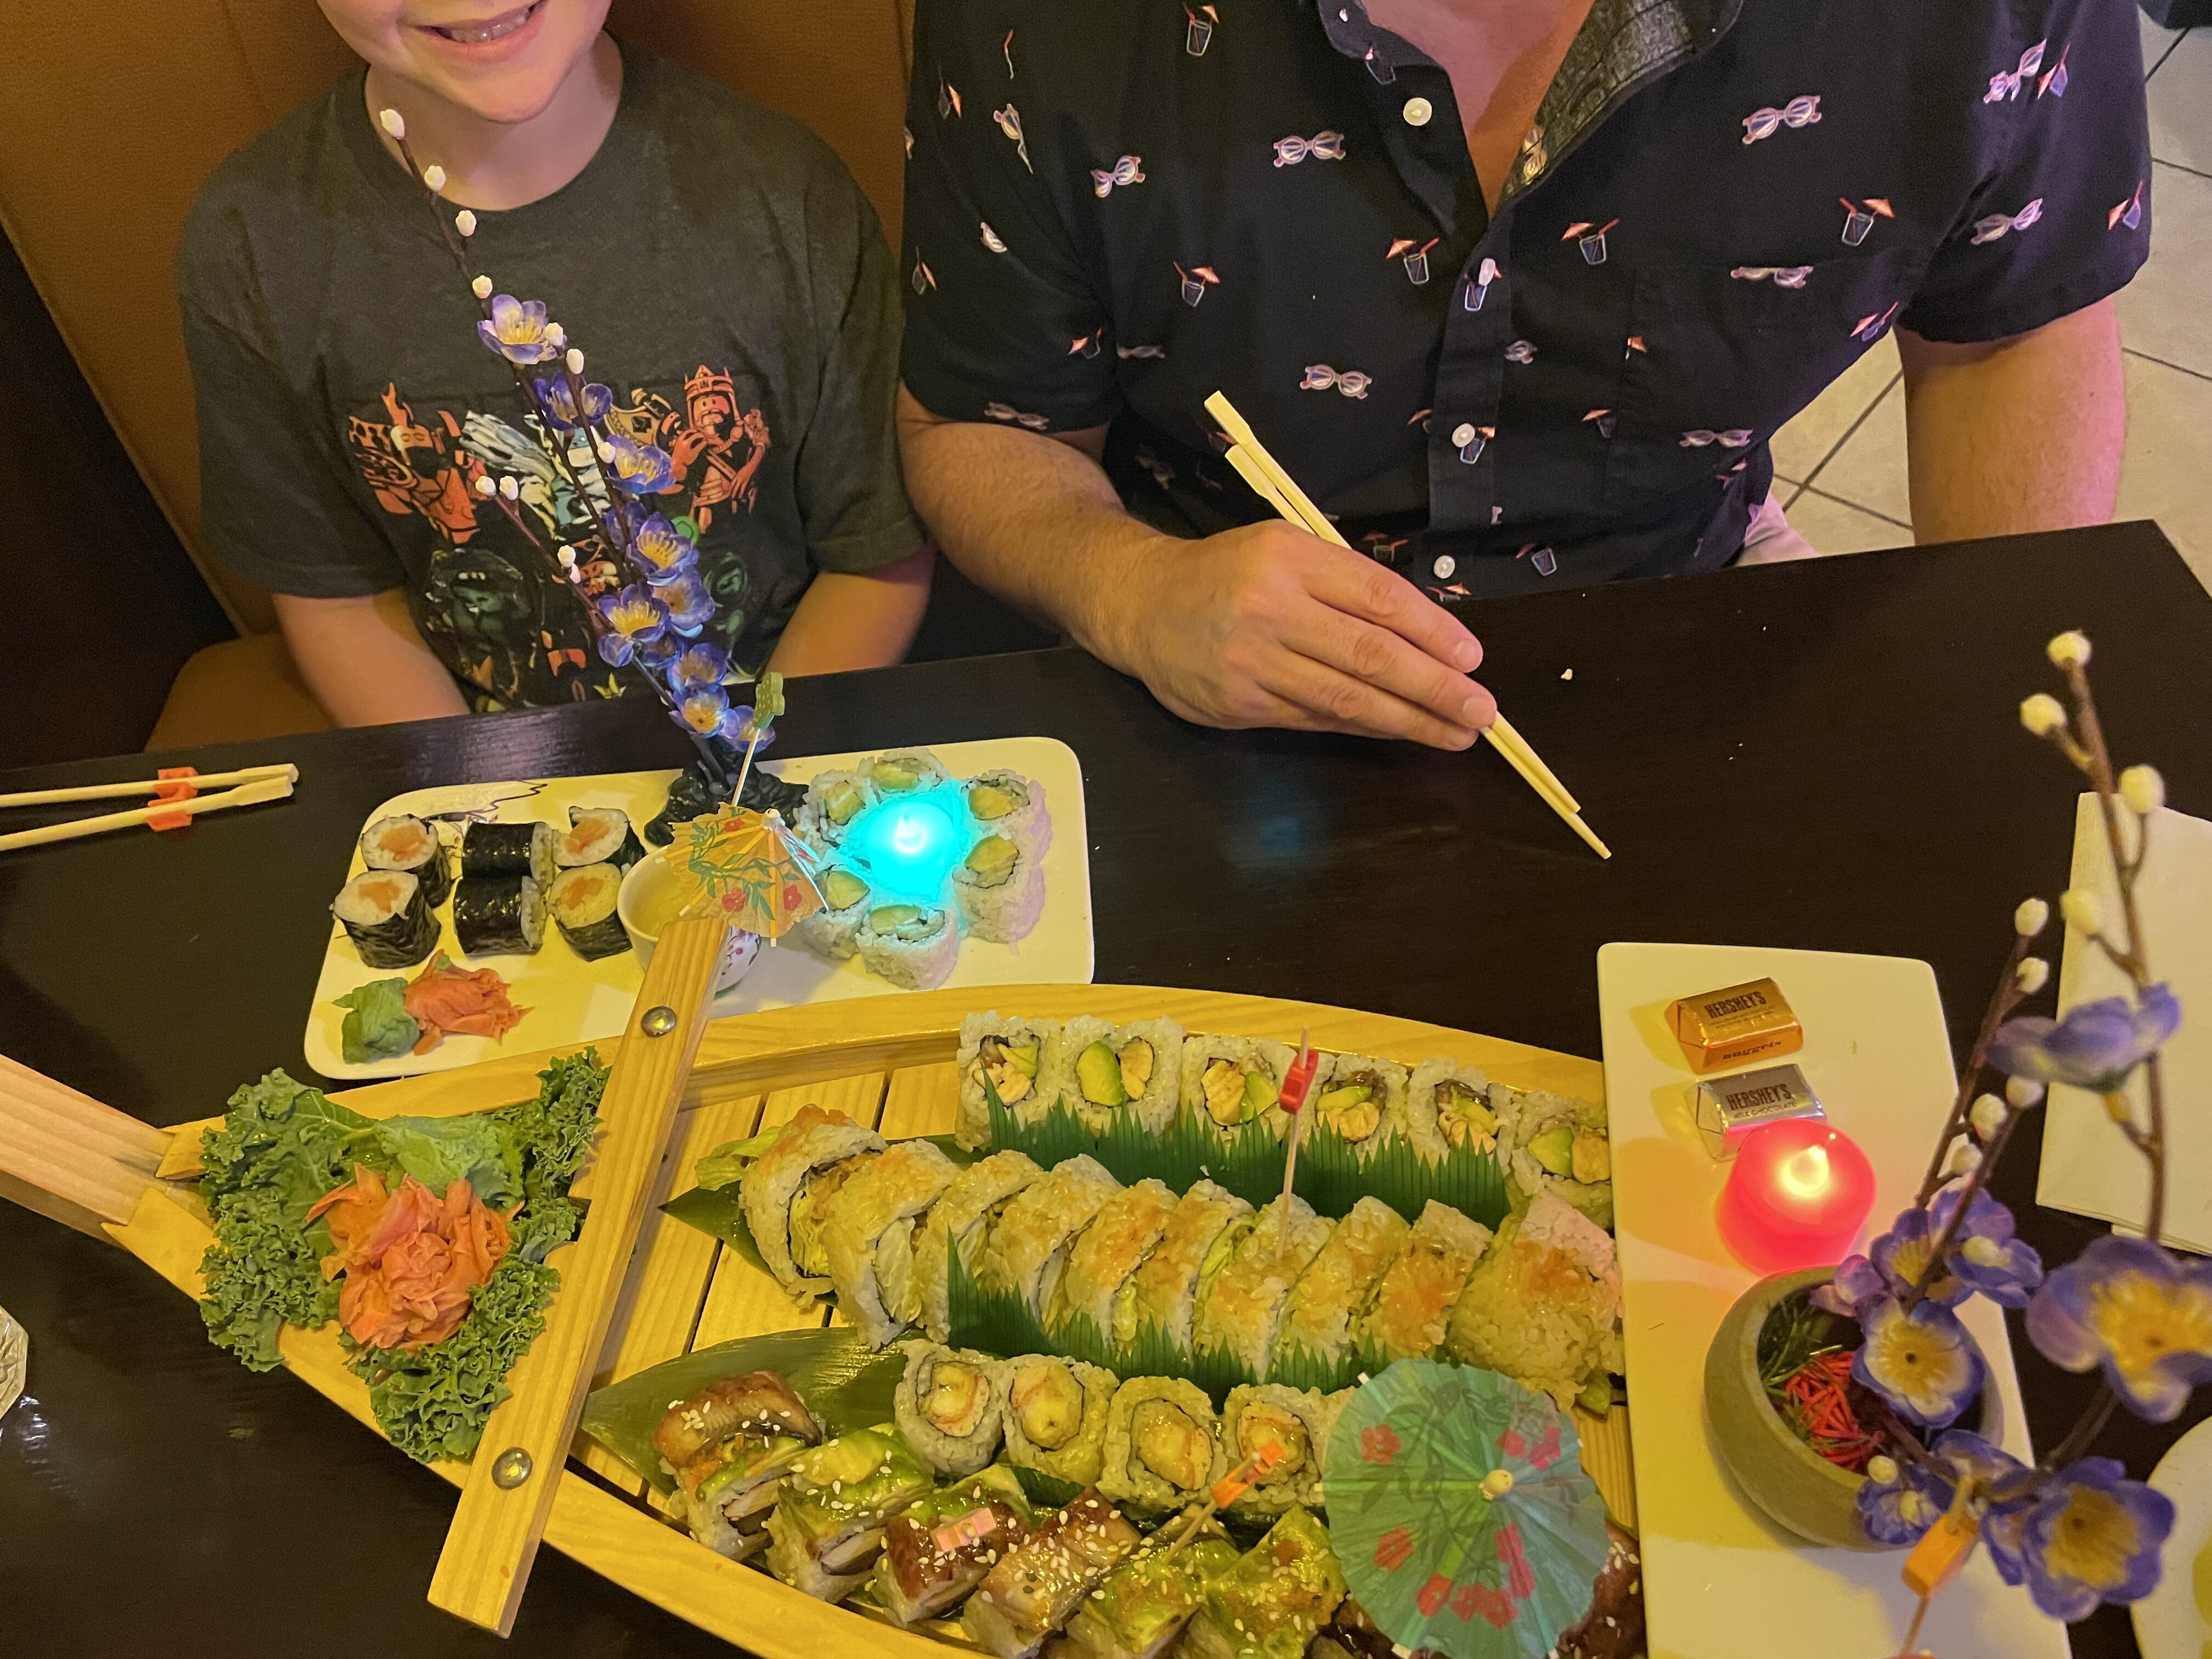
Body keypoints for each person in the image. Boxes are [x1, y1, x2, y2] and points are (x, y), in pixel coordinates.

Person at [896, 0, 2149, 751]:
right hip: (1198, 642)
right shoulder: (1050, 26)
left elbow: (2007, 328)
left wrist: (2008, 713)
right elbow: (982, 425)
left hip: (1687, 603)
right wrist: (1131, 593)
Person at [181, 0, 930, 725]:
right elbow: (340, 602)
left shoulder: (787, 196)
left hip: (775, 739)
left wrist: (755, 773)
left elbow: (873, 556)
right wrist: (481, 796)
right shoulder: (251, 246)